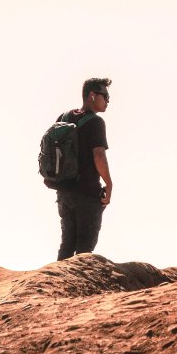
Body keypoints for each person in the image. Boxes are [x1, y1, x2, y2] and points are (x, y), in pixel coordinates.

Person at [55, 77, 112, 261]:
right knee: (84, 249)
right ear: (93, 96)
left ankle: (56, 285)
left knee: (66, 245)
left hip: (64, 192)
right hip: (87, 194)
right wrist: (109, 184)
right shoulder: (96, 122)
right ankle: (76, 289)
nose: (108, 100)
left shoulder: (63, 118)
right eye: (105, 95)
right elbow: (99, 156)